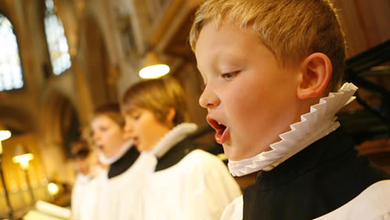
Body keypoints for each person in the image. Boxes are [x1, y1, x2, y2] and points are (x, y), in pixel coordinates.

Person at [189, 0, 390, 219]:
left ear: (310, 77)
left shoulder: (379, 206)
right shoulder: (235, 213)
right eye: (204, 81)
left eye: (228, 73)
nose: (204, 98)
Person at [121, 76, 242, 220]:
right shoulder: (147, 173)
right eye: (125, 120)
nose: (127, 129)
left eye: (135, 117)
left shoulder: (200, 165)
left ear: (167, 113)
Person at [79, 103, 142, 220]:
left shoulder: (144, 169)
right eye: (94, 132)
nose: (96, 137)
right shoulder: (100, 182)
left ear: (125, 130)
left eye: (103, 129)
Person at [70, 139, 95, 220]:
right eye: (76, 160)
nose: (79, 164)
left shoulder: (97, 177)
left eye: (82, 159)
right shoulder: (79, 180)